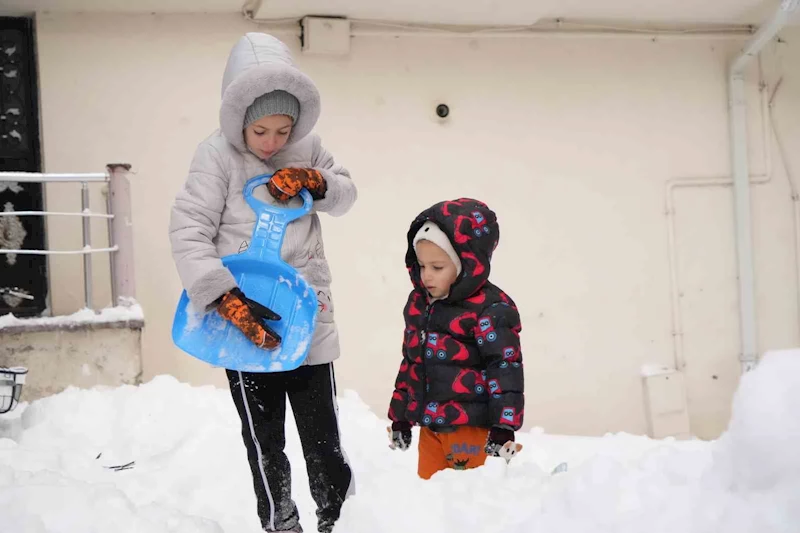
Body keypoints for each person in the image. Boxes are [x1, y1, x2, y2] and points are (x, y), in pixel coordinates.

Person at [169, 32, 356, 533]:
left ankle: (335, 515)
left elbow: (346, 193)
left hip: (306, 312)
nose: (274, 142)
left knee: (322, 432)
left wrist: (318, 183)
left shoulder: (309, 148)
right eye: (261, 132)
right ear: (239, 120)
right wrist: (221, 296)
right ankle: (280, 520)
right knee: (264, 434)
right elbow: (189, 230)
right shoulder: (215, 157)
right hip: (245, 315)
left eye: (284, 129)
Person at [387, 198, 524, 479]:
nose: (426, 276)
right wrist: (400, 416)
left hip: (472, 430)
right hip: (431, 429)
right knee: (431, 499)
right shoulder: (419, 303)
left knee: (470, 503)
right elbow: (411, 362)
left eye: (437, 267)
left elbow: (505, 368)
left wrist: (504, 426)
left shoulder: (491, 309)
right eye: (422, 265)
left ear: (466, 264)